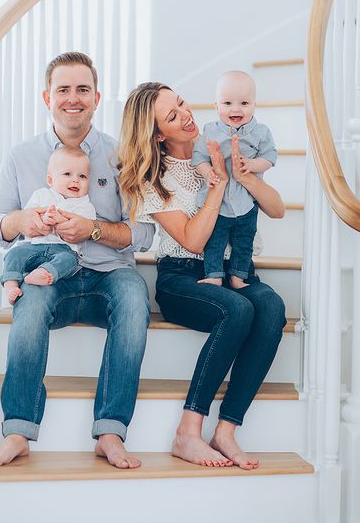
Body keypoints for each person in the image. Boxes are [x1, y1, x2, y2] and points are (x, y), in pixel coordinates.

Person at [0, 52, 154, 470]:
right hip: (48, 275)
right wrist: (20, 220)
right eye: (63, 90)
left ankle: (110, 431)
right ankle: (18, 431)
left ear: (97, 97)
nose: (72, 98)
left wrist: (92, 230)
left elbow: (145, 233)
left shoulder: (122, 154)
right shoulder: (21, 157)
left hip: (107, 275)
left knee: (134, 299)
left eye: (82, 89)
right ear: (47, 97)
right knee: (30, 303)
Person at [117, 82, 286, 470]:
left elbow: (276, 210)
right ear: (157, 133)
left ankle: (225, 430)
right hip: (183, 276)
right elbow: (193, 242)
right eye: (172, 115)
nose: (186, 114)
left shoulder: (221, 138)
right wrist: (218, 186)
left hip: (235, 270)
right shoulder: (153, 177)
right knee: (237, 310)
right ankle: (188, 433)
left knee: (272, 307)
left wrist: (246, 177)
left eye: (181, 103)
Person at [192, 70, 277, 288]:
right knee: (215, 241)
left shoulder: (261, 132)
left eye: (244, 103)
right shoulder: (210, 131)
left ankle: (238, 276)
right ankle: (214, 274)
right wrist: (207, 172)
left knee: (244, 242)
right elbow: (199, 157)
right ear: (216, 106)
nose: (236, 109)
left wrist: (252, 165)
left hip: (246, 202)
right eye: (227, 103)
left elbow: (269, 157)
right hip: (218, 204)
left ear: (254, 105)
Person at [0, 146, 96, 306]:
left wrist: (61, 220)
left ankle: (44, 273)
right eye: (67, 174)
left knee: (71, 260)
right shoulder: (41, 195)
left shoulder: (85, 204)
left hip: (64, 249)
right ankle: (11, 285)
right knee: (14, 253)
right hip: (36, 246)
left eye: (82, 176)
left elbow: (85, 227)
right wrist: (43, 217)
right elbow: (29, 216)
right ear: (51, 180)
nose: (75, 180)